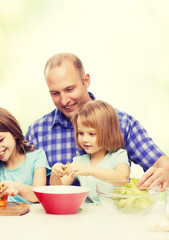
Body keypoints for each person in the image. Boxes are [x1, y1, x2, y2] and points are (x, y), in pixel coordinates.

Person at [26, 52, 169, 191]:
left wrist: (165, 172)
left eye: (69, 89)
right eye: (55, 93)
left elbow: (160, 163)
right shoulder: (37, 131)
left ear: (86, 80)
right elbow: (25, 184)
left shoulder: (123, 123)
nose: (64, 100)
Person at [50, 100, 130, 203]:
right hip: (89, 214)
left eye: (92, 134)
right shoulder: (79, 162)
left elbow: (122, 178)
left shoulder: (118, 155)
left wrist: (90, 170)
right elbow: (59, 189)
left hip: (115, 213)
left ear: (108, 133)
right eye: (81, 133)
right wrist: (55, 174)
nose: (84, 139)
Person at [0, 107, 51, 204]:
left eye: (0, 140)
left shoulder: (37, 157)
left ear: (14, 133)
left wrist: (17, 188)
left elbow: (39, 195)